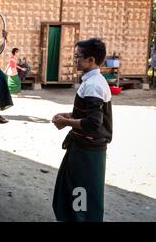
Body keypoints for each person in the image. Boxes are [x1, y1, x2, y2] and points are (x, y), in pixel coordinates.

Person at [52, 38, 112, 222]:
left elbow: (93, 122)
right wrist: (69, 115)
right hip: (81, 147)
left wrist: (66, 122)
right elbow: (88, 113)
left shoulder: (94, 85)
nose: (75, 60)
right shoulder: (93, 81)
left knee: (81, 196)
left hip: (87, 152)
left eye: (78, 57)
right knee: (71, 191)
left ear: (91, 60)